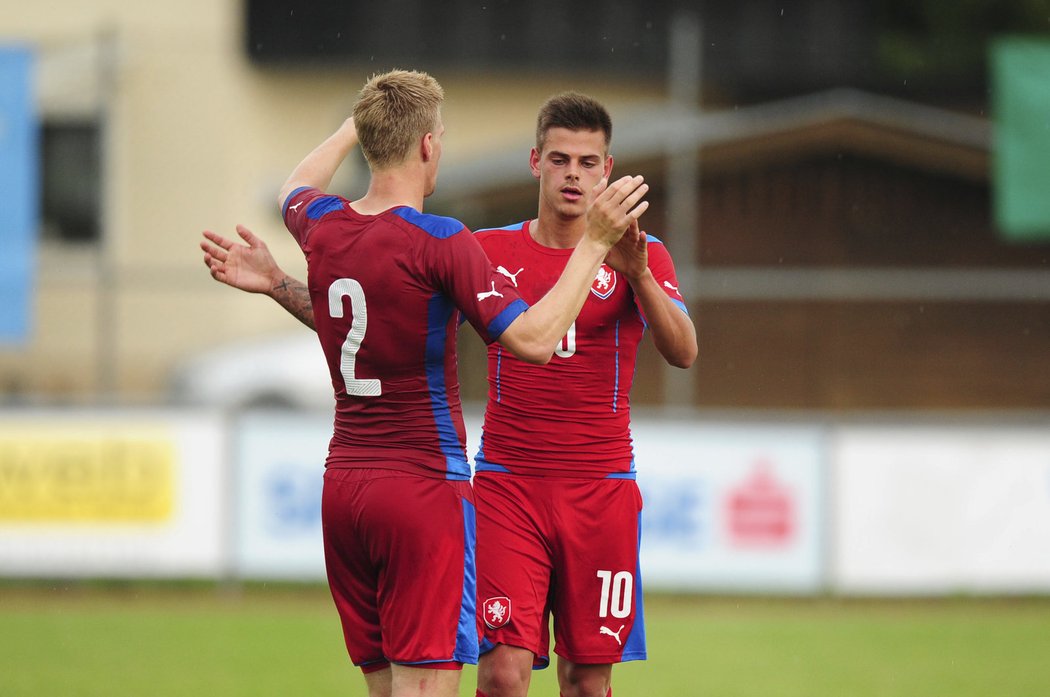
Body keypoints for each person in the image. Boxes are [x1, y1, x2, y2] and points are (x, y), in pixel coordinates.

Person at [201, 91, 694, 697]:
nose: (573, 174)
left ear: (607, 169)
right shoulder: (481, 248)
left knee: (588, 681)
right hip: (506, 487)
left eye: (588, 163)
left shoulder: (643, 256)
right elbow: (384, 323)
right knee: (502, 672)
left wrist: (638, 271)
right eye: (560, 159)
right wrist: (281, 286)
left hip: (601, 489)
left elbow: (684, 351)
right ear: (535, 162)